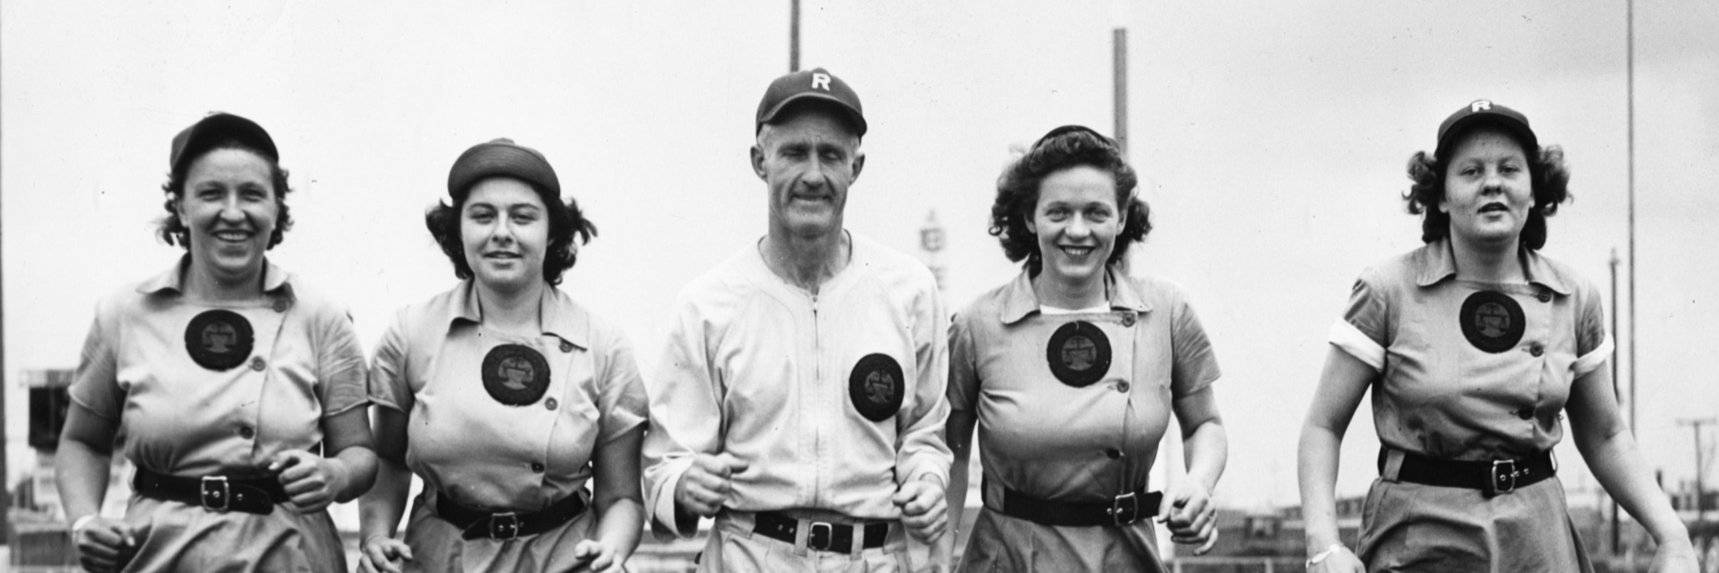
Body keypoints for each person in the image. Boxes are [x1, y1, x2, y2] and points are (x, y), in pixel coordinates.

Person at [1296, 100, 1699, 572]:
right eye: (1471, 171)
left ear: (1533, 190)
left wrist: (1673, 536)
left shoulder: (1574, 296)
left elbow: (1607, 435)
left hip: (1537, 541)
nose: (1492, 183)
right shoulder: (1387, 290)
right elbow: (1323, 426)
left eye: (1509, 169)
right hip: (1421, 537)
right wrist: (1323, 545)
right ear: (1441, 196)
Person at [641, 67, 952, 572]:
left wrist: (928, 481)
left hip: (873, 556)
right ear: (759, 162)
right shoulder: (708, 303)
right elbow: (666, 462)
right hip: (750, 553)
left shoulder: (908, 289)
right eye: (793, 153)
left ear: (856, 167)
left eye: (830, 155)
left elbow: (924, 435)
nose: (813, 174)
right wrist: (684, 485)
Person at [54, 112, 377, 572]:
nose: (233, 212)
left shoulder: (320, 315)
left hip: (290, 556)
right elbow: (82, 441)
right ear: (181, 208)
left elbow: (360, 452)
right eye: (211, 193)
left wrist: (337, 474)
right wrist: (85, 520)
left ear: (276, 209)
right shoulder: (124, 313)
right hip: (159, 556)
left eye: (252, 194)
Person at [943, 125, 1227, 572]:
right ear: (1029, 217)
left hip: (1126, 557)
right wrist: (936, 560)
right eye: (1058, 212)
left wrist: (1200, 482)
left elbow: (1205, 424)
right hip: (1011, 557)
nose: (1077, 231)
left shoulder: (1167, 311)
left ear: (1121, 217)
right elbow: (951, 452)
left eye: (1096, 213)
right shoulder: (978, 323)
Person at [357, 138, 647, 573]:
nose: (502, 233)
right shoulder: (412, 333)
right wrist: (376, 536)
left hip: (565, 560)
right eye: (483, 216)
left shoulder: (602, 343)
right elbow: (388, 461)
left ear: (552, 231)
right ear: (458, 230)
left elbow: (622, 497)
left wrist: (609, 551)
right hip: (439, 559)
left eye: (523, 217)